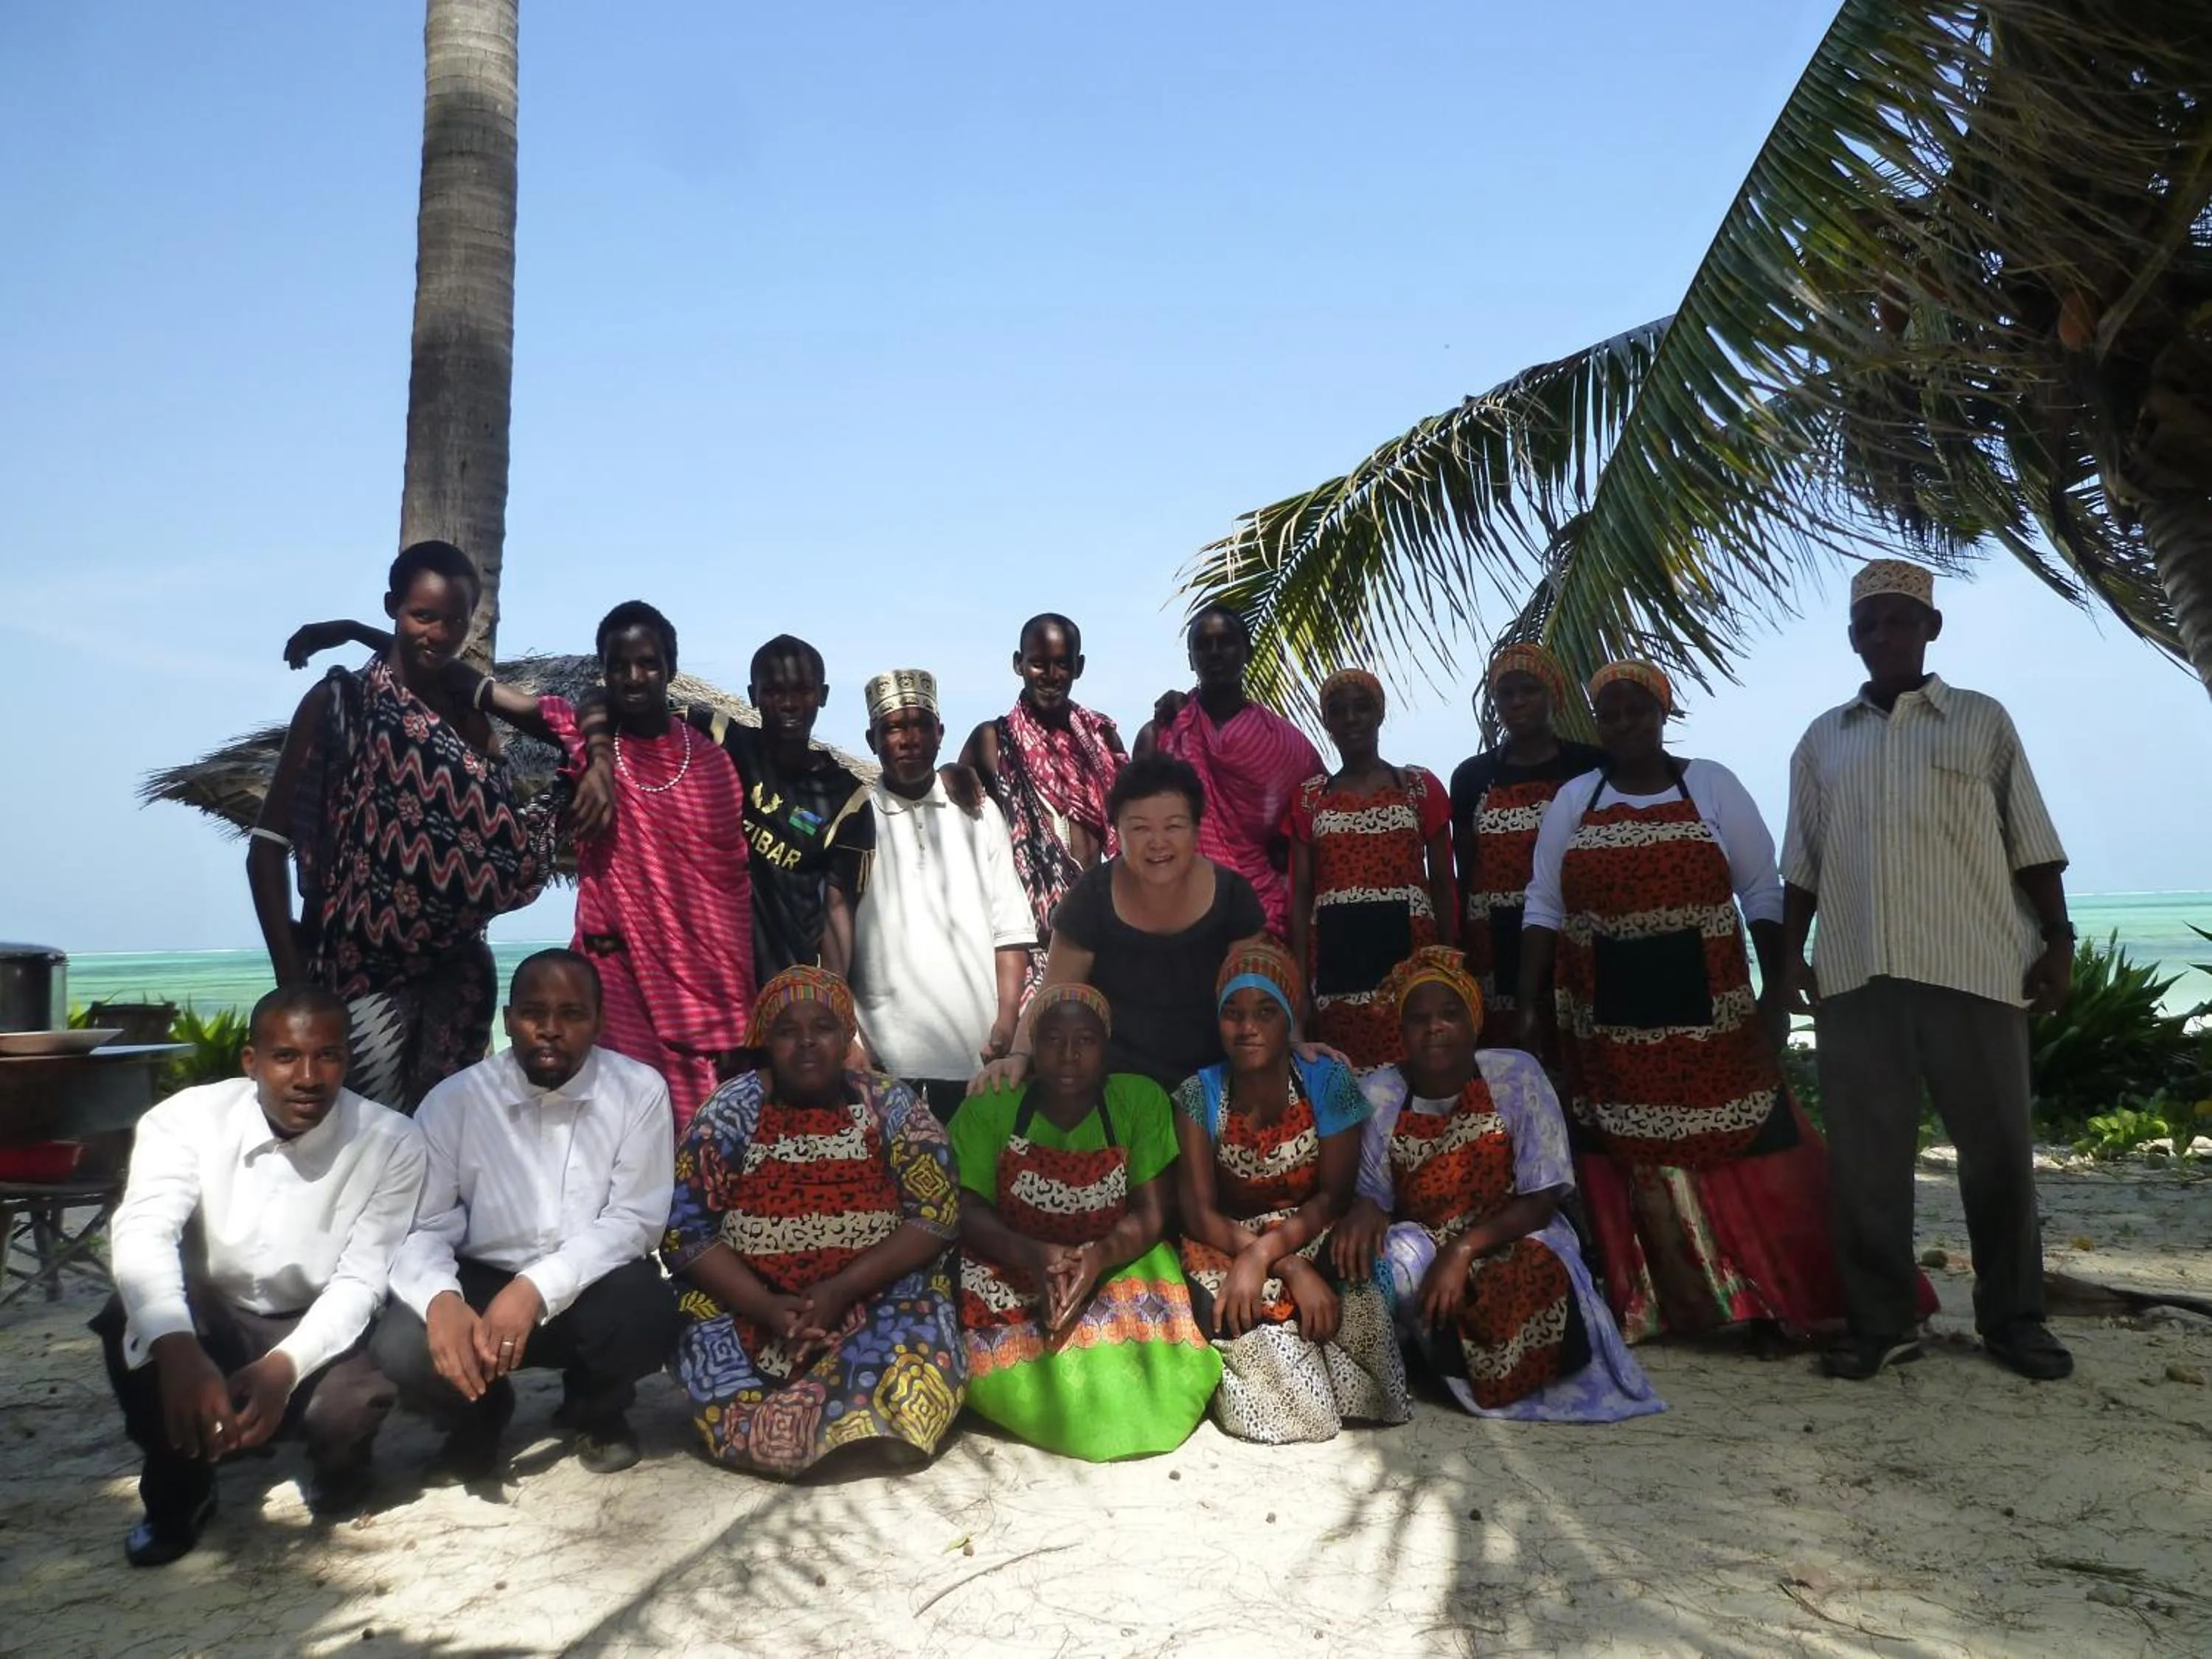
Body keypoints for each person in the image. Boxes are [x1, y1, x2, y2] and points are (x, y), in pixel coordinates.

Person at [1519, 662, 1932, 1348]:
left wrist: (1776, 991)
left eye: (1638, 711)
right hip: (1606, 1019)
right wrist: (1530, 1002)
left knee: (1744, 1144)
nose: (1625, 725)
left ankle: (1763, 1297)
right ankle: (1665, 1304)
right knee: (1627, 1150)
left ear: (1663, 713)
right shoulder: (1574, 799)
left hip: (1710, 1011)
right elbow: (1545, 903)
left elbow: (1762, 894)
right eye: (1611, 715)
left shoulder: (1711, 784)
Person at [287, 600, 752, 1133]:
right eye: (618, 665)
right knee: (613, 1136)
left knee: (694, 1142)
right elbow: (468, 682)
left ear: (670, 666)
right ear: (603, 670)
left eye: (648, 663)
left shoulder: (712, 765)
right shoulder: (584, 736)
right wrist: (356, 632)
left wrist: (738, 1000)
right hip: (614, 979)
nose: (634, 676)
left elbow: (728, 892)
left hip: (696, 991)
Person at [1781, 560, 2076, 1382]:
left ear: (1930, 629)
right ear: (1853, 638)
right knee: (1867, 1167)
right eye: (1870, 625)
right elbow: (1800, 865)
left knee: (1999, 1157)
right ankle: (1881, 1324)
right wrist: (1787, 966)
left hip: (1975, 966)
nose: (1884, 636)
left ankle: (2015, 1321)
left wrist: (2059, 941)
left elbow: (2032, 843)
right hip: (1857, 972)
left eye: (1900, 621)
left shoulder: (1981, 722)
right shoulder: (1821, 740)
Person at [96, 987, 425, 1564]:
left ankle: (340, 1468)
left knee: (348, 1409)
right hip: (211, 1311)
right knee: (135, 1318)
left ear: (347, 1061)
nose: (308, 1076)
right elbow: (144, 1232)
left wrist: (284, 1367)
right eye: (285, 1056)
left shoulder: (392, 1141)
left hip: (314, 1314)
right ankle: (182, 1491)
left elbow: (361, 1280)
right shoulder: (185, 1120)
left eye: (327, 1056)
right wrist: (179, 1351)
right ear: (251, 1062)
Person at [257, 541, 563, 1110]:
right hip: (357, 979)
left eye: (456, 620)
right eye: (423, 616)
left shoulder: (469, 709)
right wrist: (293, 988)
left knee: (441, 1157)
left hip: (459, 983)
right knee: (361, 1152)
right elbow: (267, 849)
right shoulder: (340, 703)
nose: (440, 633)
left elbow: (557, 727)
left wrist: (357, 629)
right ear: (392, 606)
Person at [374, 950, 678, 1479]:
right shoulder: (455, 1101)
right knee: (399, 1344)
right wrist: (442, 1298)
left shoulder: (639, 1091)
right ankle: (478, 1417)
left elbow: (634, 1221)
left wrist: (534, 1287)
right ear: (510, 1019)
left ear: (599, 1023)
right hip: (481, 1282)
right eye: (534, 1013)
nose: (551, 1030)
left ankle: (594, 1409)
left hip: (586, 1284)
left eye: (573, 1014)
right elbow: (424, 1225)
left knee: (648, 1309)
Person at [1332, 949, 1663, 1422]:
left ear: (1474, 1022)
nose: (1435, 1028)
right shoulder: (1380, 1092)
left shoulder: (1515, 1076)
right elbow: (1377, 1196)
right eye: (1419, 1019)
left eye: (1450, 1015)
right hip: (1425, 1234)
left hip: (1516, 1228)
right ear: (1401, 1031)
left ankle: (1493, 1374)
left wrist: (1463, 1250)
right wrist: (1366, 1207)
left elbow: (1542, 1199)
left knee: (1534, 1271)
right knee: (1383, 1267)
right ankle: (1419, 1361)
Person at [664, 967, 966, 1478]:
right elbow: (687, 1235)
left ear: (847, 1036)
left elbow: (936, 1218)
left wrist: (840, 1290)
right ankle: (826, 1434)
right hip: (750, 1300)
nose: (806, 1043)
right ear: (764, 1041)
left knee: (922, 1326)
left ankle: (854, 1431)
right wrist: (767, 1307)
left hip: (872, 1294)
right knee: (700, 1333)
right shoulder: (728, 1114)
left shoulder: (890, 1105)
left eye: (823, 1028)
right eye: (787, 1031)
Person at [950, 984, 1220, 1460]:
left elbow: (1151, 1213)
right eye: (1053, 1040)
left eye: (1086, 1041)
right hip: (1014, 1256)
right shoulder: (992, 1104)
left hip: (1113, 1254)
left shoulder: (1139, 1101)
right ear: (1033, 1047)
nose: (1069, 1055)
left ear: (1107, 1047)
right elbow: (966, 1209)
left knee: (1154, 1348)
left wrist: (1096, 1259)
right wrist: (1034, 1255)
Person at [1172, 939, 1410, 1443]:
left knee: (1374, 1393)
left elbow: (1334, 1196)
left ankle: (1315, 1350)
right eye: (1233, 1013)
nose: (1248, 1027)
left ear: (1290, 1016)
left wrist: (1278, 1254)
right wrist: (1280, 1264)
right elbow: (1197, 1213)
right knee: (1298, 1415)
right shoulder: (1198, 1094)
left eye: (1265, 1012)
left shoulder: (1327, 1081)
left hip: (1313, 1229)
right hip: (1229, 1242)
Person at [970, 753, 1268, 1096]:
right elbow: (1052, 993)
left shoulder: (1232, 896)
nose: (1157, 843)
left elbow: (1259, 998)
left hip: (1216, 1087)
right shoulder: (1091, 897)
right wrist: (1020, 1054)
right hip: (1115, 1092)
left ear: (1197, 827)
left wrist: (1295, 1044)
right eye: (1140, 828)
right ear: (1117, 831)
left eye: (1173, 826)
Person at [831, 669, 1034, 1121]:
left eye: (920, 724)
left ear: (941, 733)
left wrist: (1005, 1022)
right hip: (882, 1065)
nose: (909, 738)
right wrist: (852, 1040)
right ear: (872, 739)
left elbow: (1011, 930)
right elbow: (834, 938)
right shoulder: (856, 819)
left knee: (971, 1187)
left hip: (976, 1060)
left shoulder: (978, 812)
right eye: (894, 728)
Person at [676, 634, 876, 981]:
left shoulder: (848, 798)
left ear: (823, 695)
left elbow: (838, 908)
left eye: (803, 690)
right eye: (773, 691)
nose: (789, 703)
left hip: (783, 989)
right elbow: (628, 711)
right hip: (700, 977)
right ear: (753, 696)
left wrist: (832, 997)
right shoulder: (719, 739)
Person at [1285, 669, 1455, 1068]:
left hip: (1411, 958)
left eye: (1362, 708)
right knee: (1348, 1075)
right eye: (1338, 711)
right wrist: (1299, 986)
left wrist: (1450, 964)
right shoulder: (1310, 798)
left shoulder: (1418, 786)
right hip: (1336, 959)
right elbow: (1301, 895)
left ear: (1380, 714)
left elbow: (1444, 884)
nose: (1350, 719)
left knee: (1415, 1068)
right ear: (1326, 722)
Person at [959, 613, 1127, 993]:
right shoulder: (993, 741)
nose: (1050, 675)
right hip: (1030, 938)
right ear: (1018, 663)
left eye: (1062, 664)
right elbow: (953, 812)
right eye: (1038, 663)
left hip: (1098, 925)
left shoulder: (1102, 738)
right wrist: (952, 773)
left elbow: (1127, 822)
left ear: (1078, 667)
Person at [1447, 644, 1604, 1051]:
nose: (1517, 702)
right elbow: (1464, 868)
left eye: (1529, 690)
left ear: (1553, 694)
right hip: (1494, 942)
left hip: (1574, 931)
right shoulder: (1472, 776)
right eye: (1505, 693)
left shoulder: (1589, 766)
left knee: (1578, 1041)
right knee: (1509, 1055)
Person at [1135, 604, 1324, 940]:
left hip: (1262, 914)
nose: (1215, 653)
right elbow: (1135, 835)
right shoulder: (1161, 736)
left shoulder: (1284, 744)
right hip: (1174, 917)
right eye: (1203, 645)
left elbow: (1315, 826)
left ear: (1247, 651)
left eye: (1226, 642)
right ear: (1191, 659)